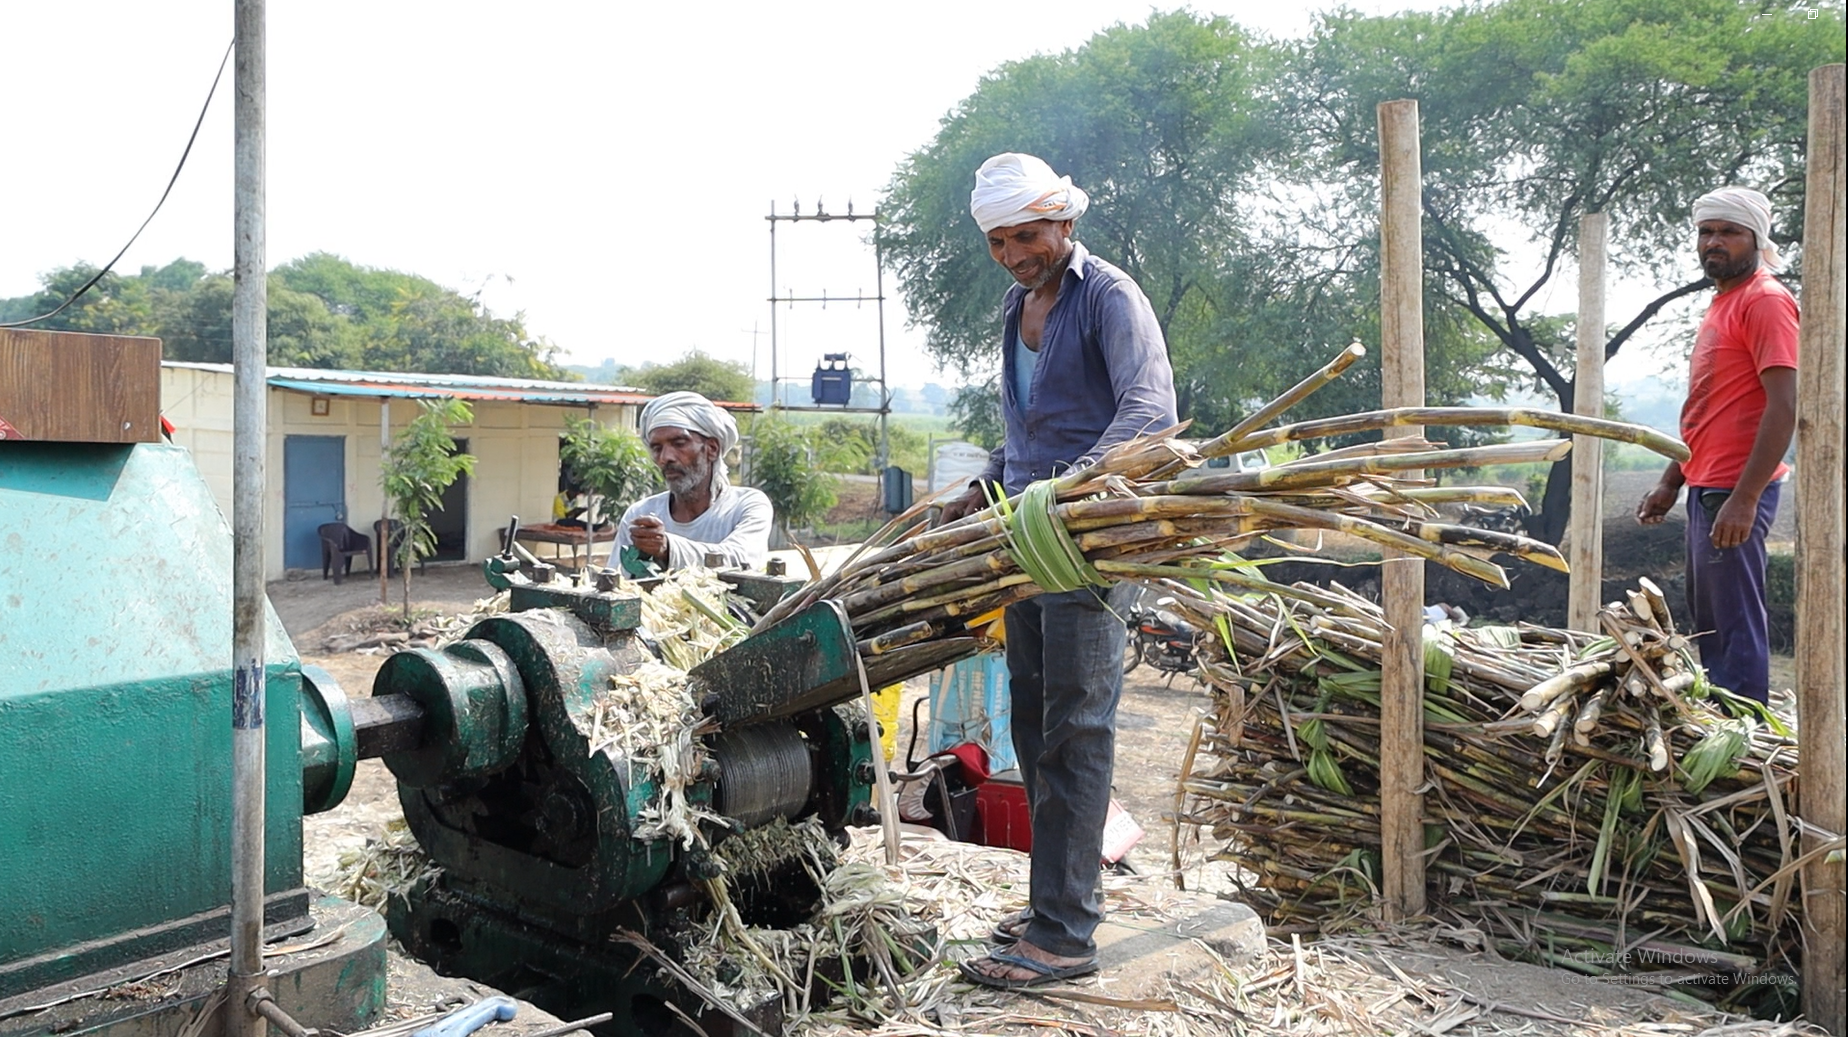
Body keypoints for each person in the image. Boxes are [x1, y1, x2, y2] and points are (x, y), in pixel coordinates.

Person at [940, 153, 1178, 989]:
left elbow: (1151, 413)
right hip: (1025, 544)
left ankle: (1065, 938)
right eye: (1000, 241)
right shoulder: (1016, 307)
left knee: (1078, 731)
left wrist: (1063, 493)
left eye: (1027, 235)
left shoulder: (1109, 295)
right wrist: (985, 484)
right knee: (1036, 734)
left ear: (1063, 224)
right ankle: (1056, 901)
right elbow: (1031, 435)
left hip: (1086, 542)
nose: (1014, 253)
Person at [1636, 187, 1797, 704]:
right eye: (1707, 232)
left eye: (1729, 232)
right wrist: (1670, 479)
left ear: (1756, 238)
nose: (1714, 242)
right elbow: (1707, 405)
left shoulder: (1765, 301)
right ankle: (1724, 716)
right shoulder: (1724, 303)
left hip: (1736, 488)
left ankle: (1743, 727)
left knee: (1735, 621)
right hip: (1707, 484)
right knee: (1712, 621)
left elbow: (1783, 407)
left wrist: (1745, 498)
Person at [616, 391, 773, 571]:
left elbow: (740, 559)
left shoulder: (746, 505)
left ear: (712, 449)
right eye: (657, 448)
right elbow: (614, 582)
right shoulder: (640, 514)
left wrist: (669, 549)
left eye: (679, 443)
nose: (665, 457)